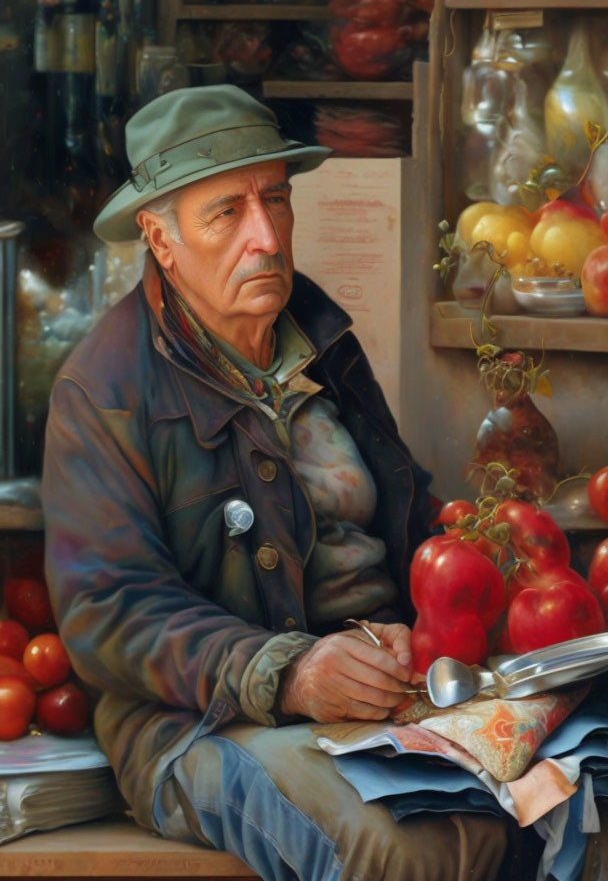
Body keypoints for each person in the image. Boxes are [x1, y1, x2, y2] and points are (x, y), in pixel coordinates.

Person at [42, 85, 508, 880]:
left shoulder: (320, 335)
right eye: (226, 212)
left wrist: (421, 622)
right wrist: (286, 672)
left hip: (387, 692)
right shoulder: (104, 388)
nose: (264, 235)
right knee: (391, 847)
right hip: (200, 726)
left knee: (552, 791)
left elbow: (400, 515)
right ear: (160, 237)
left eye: (276, 200)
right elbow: (108, 609)